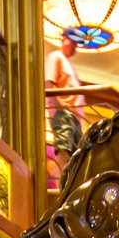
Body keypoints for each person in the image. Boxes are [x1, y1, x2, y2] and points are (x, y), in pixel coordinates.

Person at [46, 32, 86, 186]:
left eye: (77, 44)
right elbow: (48, 83)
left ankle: (70, 186)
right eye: (73, 42)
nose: (75, 47)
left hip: (74, 117)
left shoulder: (68, 63)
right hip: (64, 113)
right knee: (64, 149)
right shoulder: (55, 57)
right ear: (64, 39)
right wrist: (58, 106)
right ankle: (62, 188)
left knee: (75, 154)